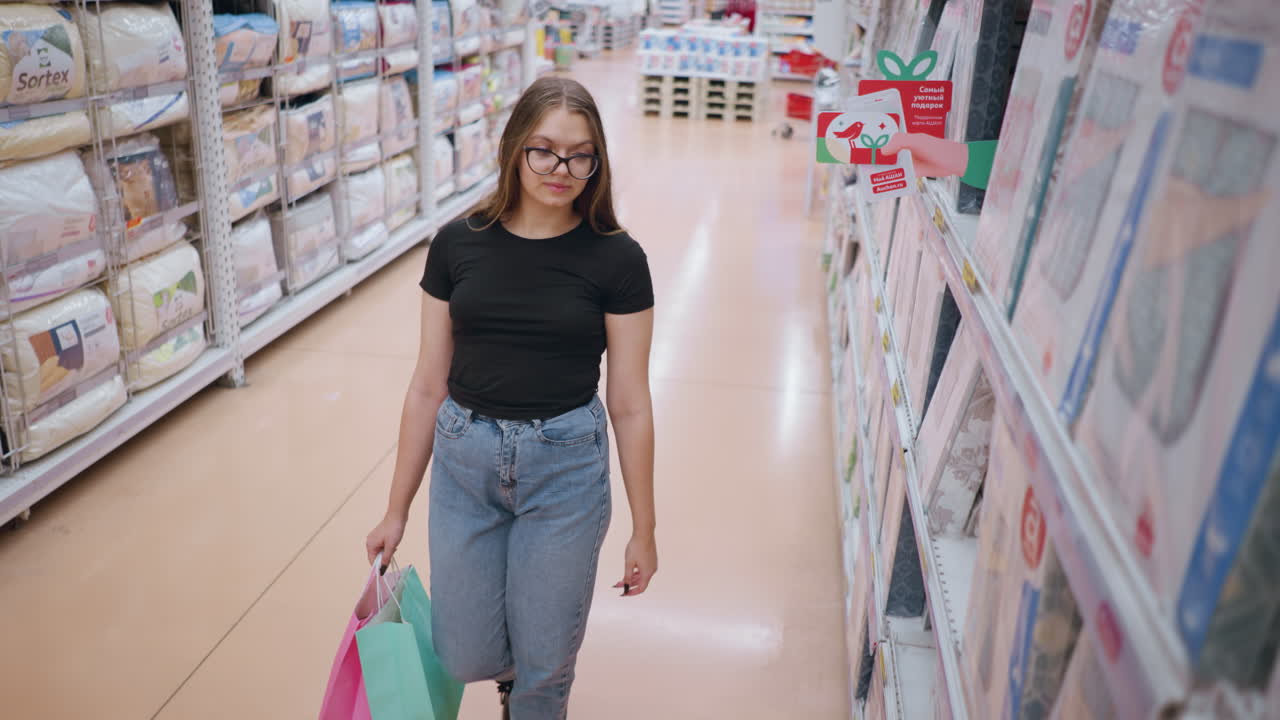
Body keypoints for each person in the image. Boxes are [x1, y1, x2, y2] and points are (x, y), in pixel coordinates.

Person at [364, 76, 658, 720]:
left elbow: (631, 403)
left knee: (546, 669)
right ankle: (514, 672)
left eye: (581, 155)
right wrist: (396, 509)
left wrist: (645, 528)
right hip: (464, 460)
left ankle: (531, 689)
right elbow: (425, 384)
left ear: (597, 162)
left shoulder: (618, 259)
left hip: (566, 467)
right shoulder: (458, 242)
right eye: (544, 149)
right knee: (463, 653)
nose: (562, 169)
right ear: (514, 147)